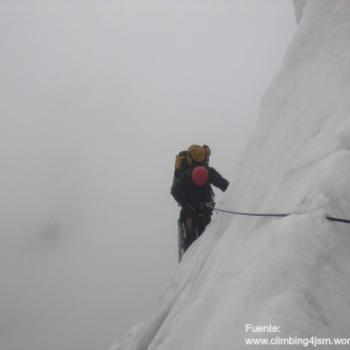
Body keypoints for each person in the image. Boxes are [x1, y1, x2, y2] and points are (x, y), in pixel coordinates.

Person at [171, 145, 229, 255]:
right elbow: (224, 185)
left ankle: (189, 264)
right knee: (204, 239)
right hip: (205, 210)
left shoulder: (186, 174)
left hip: (189, 213)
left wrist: (187, 207)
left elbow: (174, 191)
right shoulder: (209, 171)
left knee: (190, 245)